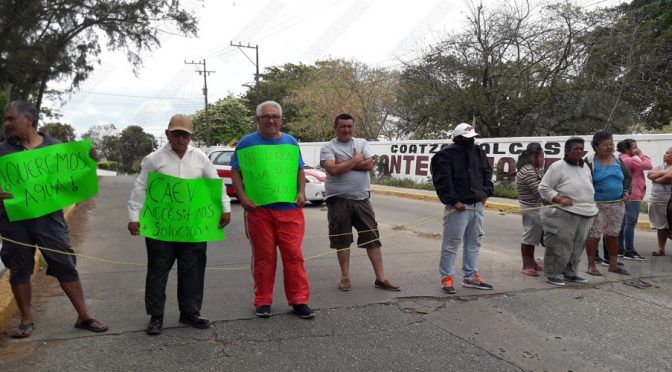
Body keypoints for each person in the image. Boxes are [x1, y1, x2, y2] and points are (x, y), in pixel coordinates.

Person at [0, 101, 108, 338]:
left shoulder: (56, 148)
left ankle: (84, 316)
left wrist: (87, 161)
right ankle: (26, 320)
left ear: (29, 119)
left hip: (49, 220)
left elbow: (72, 180)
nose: (7, 124)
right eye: (6, 120)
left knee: (64, 263)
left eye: (11, 119)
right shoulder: (2, 151)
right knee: (19, 267)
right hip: (13, 221)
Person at [128, 114, 231, 335]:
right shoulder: (154, 159)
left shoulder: (201, 158)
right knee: (158, 271)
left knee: (192, 270)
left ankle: (190, 313)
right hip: (160, 226)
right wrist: (134, 216)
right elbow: (141, 188)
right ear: (167, 134)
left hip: (193, 226)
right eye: (176, 134)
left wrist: (225, 208)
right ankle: (156, 316)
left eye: (184, 134)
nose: (180, 138)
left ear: (190, 136)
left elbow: (215, 184)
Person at [231, 101, 314, 319]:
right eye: (266, 116)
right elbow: (236, 172)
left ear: (281, 119)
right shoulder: (246, 144)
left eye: (275, 116)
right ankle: (263, 301)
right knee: (264, 257)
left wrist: (302, 192)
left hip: (290, 209)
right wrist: (243, 197)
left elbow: (300, 169)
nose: (271, 120)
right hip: (259, 211)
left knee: (294, 256)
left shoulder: (291, 142)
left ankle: (299, 300)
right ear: (257, 120)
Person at [319, 113, 399, 292]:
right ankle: (345, 278)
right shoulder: (328, 147)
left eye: (349, 126)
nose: (347, 130)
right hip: (338, 201)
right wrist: (356, 159)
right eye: (343, 126)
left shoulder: (361, 143)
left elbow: (369, 165)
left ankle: (381, 278)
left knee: (372, 238)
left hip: (362, 199)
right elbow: (333, 170)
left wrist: (345, 163)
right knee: (342, 240)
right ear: (335, 128)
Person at [430, 123, 494, 294]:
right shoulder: (446, 155)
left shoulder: (478, 151)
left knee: (474, 243)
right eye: (467, 138)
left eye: (472, 137)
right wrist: (453, 201)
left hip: (477, 205)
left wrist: (486, 193)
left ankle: (470, 276)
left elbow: (487, 172)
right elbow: (442, 180)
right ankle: (447, 278)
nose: (471, 140)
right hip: (458, 207)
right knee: (452, 243)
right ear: (458, 138)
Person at [538, 137, 598, 286]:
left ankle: (570, 273)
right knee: (559, 245)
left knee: (578, 246)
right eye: (575, 149)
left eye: (581, 148)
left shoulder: (585, 167)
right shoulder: (557, 166)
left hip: (586, 212)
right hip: (564, 212)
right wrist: (558, 199)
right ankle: (553, 273)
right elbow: (543, 188)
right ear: (567, 151)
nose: (579, 151)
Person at [583, 132, 631, 276]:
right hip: (596, 205)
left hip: (617, 204)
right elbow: (583, 182)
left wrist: (627, 191)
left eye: (611, 144)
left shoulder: (618, 161)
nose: (609, 147)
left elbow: (628, 179)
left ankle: (613, 265)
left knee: (613, 235)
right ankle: (591, 266)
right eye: (605, 145)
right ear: (596, 147)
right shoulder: (589, 162)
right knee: (594, 235)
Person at [616, 139, 652, 261]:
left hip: (625, 194)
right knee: (630, 223)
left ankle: (620, 249)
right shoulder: (630, 159)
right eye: (634, 147)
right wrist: (640, 154)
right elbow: (648, 165)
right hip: (633, 193)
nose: (637, 149)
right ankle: (629, 251)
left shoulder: (620, 158)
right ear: (627, 149)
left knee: (623, 222)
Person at [514, 143, 545, 276]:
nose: (543, 159)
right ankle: (527, 265)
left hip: (534, 206)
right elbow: (540, 191)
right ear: (534, 157)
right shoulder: (528, 171)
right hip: (530, 207)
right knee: (529, 237)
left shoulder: (532, 169)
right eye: (542, 156)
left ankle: (532, 262)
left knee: (533, 237)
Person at [647, 148, 672, 257]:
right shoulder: (661, 167)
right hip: (656, 201)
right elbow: (649, 174)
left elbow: (667, 178)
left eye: (667, 153)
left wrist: (655, 178)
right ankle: (661, 249)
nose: (664, 155)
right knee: (661, 226)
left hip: (668, 202)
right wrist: (662, 173)